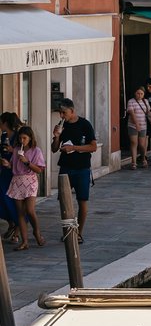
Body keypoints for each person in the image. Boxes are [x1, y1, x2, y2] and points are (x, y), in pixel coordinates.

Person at [52, 98, 97, 241]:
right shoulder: (61, 126)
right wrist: (56, 137)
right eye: (60, 113)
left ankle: (78, 233)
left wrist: (74, 148)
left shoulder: (85, 125)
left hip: (82, 168)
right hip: (65, 166)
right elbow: (54, 149)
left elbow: (93, 147)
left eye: (64, 112)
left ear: (72, 111)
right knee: (64, 201)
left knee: (82, 200)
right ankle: (67, 230)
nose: (61, 116)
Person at [7, 125, 44, 249]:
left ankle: (37, 231)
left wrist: (26, 161)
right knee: (20, 213)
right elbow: (12, 165)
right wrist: (7, 164)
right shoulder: (17, 150)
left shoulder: (36, 151)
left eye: (24, 138)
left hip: (30, 181)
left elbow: (39, 169)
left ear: (30, 138)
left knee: (30, 210)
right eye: (20, 138)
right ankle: (25, 241)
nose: (22, 140)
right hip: (17, 181)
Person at [125, 85, 151, 168]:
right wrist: (136, 124)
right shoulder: (131, 101)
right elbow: (132, 114)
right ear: (135, 93)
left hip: (143, 126)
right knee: (134, 143)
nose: (139, 95)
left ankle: (143, 158)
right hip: (132, 125)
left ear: (144, 94)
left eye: (141, 93)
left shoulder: (145, 101)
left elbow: (147, 112)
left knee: (142, 145)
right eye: (138, 93)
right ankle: (134, 162)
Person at [0, 113, 17, 242]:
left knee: (14, 200)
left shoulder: (17, 137)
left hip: (15, 172)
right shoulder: (4, 136)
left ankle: (17, 230)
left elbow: (25, 152)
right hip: (4, 172)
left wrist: (12, 152)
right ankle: (11, 223)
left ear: (5, 123)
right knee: (3, 198)